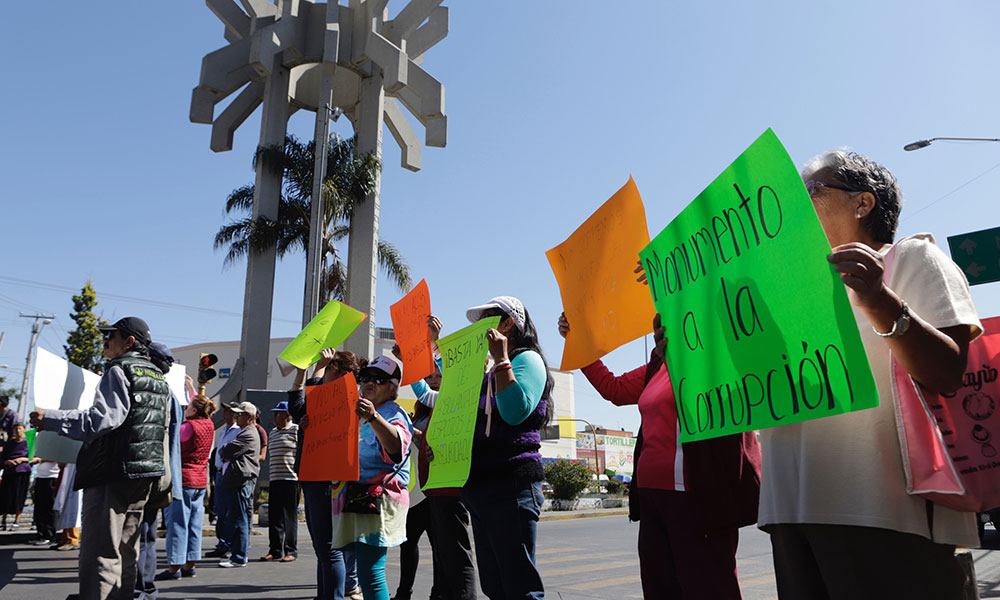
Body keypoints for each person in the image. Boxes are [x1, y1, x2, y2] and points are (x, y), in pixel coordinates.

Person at [748, 150, 982, 600]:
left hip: (882, 510)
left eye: (810, 191)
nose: (795, 205)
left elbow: (948, 371)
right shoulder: (787, 292)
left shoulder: (910, 257)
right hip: (789, 507)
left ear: (863, 203)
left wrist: (879, 300)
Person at [558, 312, 761, 599]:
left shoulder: (717, 358)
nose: (661, 326)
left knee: (710, 588)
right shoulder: (657, 367)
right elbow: (612, 388)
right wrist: (578, 342)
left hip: (695, 498)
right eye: (660, 320)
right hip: (653, 498)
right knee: (660, 589)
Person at [30, 316, 170, 600]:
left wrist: (50, 419)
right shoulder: (158, 377)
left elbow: (103, 420)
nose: (105, 340)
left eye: (111, 335)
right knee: (127, 551)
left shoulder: (119, 369)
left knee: (100, 552)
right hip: (144, 475)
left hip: (112, 472)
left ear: (129, 341)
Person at [439, 296, 552, 600]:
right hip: (480, 487)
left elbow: (515, 411)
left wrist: (502, 360)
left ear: (509, 323)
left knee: (519, 586)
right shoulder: (483, 374)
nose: (481, 326)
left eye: (489, 317)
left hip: (511, 483)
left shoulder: (526, 360)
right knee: (495, 586)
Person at [396, 333, 477, 600]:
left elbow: (427, 391)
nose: (434, 380)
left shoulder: (461, 400)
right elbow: (424, 392)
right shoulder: (427, 408)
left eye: (438, 375)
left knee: (454, 555)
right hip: (428, 489)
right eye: (431, 375)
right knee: (444, 551)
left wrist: (432, 342)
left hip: (452, 488)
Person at [333, 355, 413, 600]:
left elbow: (396, 449)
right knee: (366, 573)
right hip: (358, 499)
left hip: (377, 502)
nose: (370, 383)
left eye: (379, 379)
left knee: (371, 573)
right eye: (365, 377)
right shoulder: (360, 413)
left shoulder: (392, 414)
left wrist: (373, 417)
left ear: (393, 387)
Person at [288, 348, 362, 600]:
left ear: (340, 373)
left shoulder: (344, 397)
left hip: (328, 477)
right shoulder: (322, 395)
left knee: (330, 548)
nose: (324, 370)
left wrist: (317, 368)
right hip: (312, 474)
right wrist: (302, 371)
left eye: (329, 367)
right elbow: (298, 408)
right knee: (323, 548)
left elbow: (307, 398)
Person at [134, 342, 184, 600]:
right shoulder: (172, 395)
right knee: (148, 536)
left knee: (139, 535)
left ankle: (140, 588)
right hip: (164, 474)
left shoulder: (154, 391)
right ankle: (146, 587)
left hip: (148, 472)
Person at [157, 392, 217, 580]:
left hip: (183, 478)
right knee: (194, 524)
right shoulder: (209, 424)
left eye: (188, 405)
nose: (185, 408)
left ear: (195, 409)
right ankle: (190, 565)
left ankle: (175, 565)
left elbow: (172, 445)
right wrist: (191, 387)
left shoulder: (187, 427)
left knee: (178, 524)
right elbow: (199, 399)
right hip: (200, 480)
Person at [216, 400, 261, 568]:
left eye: (240, 414)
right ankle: (237, 555)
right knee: (236, 517)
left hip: (240, 480)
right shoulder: (245, 432)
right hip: (237, 479)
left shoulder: (248, 433)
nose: (236, 417)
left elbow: (226, 451)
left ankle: (239, 556)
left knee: (239, 519)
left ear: (249, 417)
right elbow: (225, 452)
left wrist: (226, 452)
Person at [261, 400, 299, 562]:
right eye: (274, 413)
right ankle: (275, 549)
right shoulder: (273, 432)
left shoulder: (296, 430)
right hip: (275, 478)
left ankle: (291, 550)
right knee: (275, 516)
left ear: (288, 415)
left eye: (278, 413)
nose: (275, 416)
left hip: (291, 479)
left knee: (289, 516)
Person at [206, 402, 242, 558]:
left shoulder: (238, 431)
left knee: (229, 512)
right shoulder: (224, 431)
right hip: (220, 473)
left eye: (228, 411)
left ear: (234, 414)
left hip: (229, 474)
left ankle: (228, 544)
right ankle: (221, 543)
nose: (224, 413)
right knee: (220, 511)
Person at [0, 423, 31, 531]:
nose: (18, 431)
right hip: (9, 472)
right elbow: (3, 457)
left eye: (20, 429)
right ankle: (3, 521)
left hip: (22, 472)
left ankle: (16, 522)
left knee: (19, 497)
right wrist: (7, 461)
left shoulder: (29, 443)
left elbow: (33, 458)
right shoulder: (10, 444)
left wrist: (22, 459)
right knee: (5, 497)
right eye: (16, 429)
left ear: (24, 430)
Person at [29, 458, 60, 545]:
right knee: (39, 507)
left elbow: (57, 457)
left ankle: (50, 536)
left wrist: (39, 460)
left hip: (52, 476)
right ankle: (41, 535)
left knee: (50, 507)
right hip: (40, 476)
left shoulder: (56, 445)